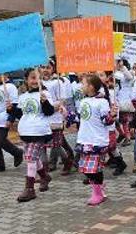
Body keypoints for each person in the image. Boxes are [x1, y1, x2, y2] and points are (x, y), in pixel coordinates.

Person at [8, 69, 55, 202]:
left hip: (38, 132)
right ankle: (44, 177)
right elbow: (21, 114)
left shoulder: (44, 93)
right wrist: (11, 109)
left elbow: (49, 112)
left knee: (30, 159)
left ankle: (29, 189)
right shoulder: (23, 96)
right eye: (32, 78)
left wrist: (45, 102)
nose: (35, 81)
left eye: (38, 78)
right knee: (32, 158)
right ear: (27, 80)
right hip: (26, 131)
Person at [77, 74, 118, 206]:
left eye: (83, 83)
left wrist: (111, 115)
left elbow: (106, 121)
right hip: (84, 138)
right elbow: (81, 118)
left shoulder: (102, 102)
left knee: (94, 169)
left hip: (97, 140)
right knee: (86, 169)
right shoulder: (83, 101)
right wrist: (66, 113)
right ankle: (99, 188)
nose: (81, 86)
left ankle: (98, 194)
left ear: (91, 86)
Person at [41, 60, 75, 175]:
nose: (45, 70)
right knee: (44, 144)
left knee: (57, 144)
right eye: (43, 67)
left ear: (53, 69)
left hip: (55, 117)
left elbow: (62, 101)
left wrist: (49, 107)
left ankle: (68, 161)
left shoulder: (58, 82)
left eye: (48, 67)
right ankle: (45, 167)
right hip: (42, 119)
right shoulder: (38, 82)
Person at [0, 74, 23, 174]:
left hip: (4, 117)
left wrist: (10, 119)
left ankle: (17, 152)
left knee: (0, 139)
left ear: (5, 74)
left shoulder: (11, 87)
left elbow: (14, 105)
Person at [98, 71, 127, 176]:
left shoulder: (110, 91)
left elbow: (114, 108)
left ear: (107, 77)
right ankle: (96, 171)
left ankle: (120, 163)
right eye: (97, 75)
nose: (99, 77)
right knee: (103, 146)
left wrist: (114, 117)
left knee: (111, 146)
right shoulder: (95, 90)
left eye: (101, 75)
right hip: (98, 124)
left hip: (108, 122)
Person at [114, 60, 135, 146]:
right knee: (116, 120)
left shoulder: (129, 72)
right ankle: (122, 134)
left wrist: (122, 67)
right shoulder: (118, 73)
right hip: (118, 99)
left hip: (125, 100)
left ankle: (127, 137)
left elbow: (129, 77)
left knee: (124, 120)